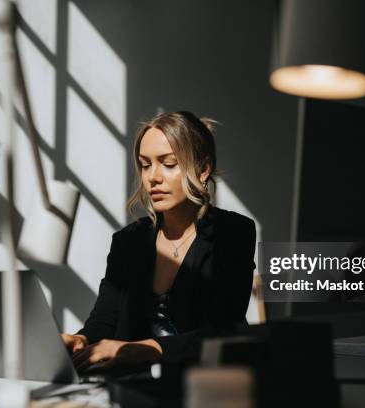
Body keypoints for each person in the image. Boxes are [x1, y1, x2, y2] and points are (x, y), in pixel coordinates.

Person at [61, 111, 256, 372]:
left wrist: (149, 349)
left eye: (168, 163)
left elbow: (222, 330)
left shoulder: (233, 232)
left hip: (206, 385)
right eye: (145, 164)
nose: (153, 177)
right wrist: (81, 339)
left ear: (203, 169)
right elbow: (104, 321)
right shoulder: (127, 241)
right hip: (132, 388)